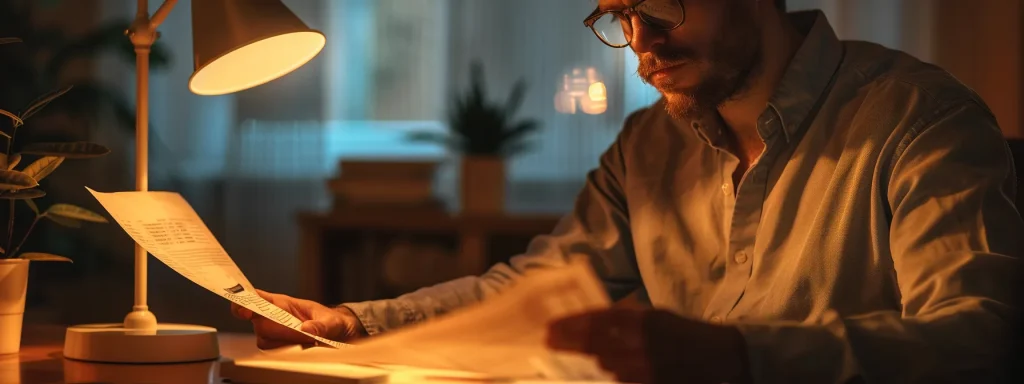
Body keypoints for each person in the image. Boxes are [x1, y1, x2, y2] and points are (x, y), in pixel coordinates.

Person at [232, 0, 1024, 382]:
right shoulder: (651, 143)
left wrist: (738, 357)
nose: (642, 42)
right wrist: (353, 319)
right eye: (618, 13)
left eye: (664, 5)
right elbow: (540, 286)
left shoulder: (920, 116)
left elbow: (976, 336)